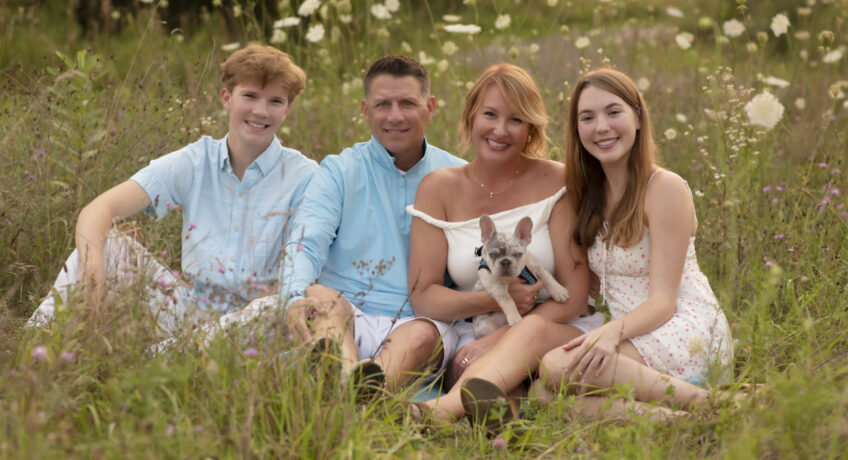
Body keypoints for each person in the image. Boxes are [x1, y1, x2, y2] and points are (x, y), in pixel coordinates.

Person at [419, 67, 734, 427]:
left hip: (678, 327)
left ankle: (705, 401)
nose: (601, 127)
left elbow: (663, 301)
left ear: (638, 117)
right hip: (628, 329)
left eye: (613, 112)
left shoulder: (664, 188)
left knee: (556, 366)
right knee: (542, 396)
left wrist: (608, 332)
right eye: (588, 117)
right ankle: (685, 421)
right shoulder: (589, 194)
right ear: (577, 129)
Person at [30, 45, 318, 338]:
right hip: (188, 307)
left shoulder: (305, 176)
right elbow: (97, 210)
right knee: (111, 246)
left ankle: (163, 358)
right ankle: (40, 342)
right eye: (250, 96)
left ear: (287, 109)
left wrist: (243, 317)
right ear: (226, 98)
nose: (261, 110)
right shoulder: (196, 161)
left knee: (275, 304)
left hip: (255, 321)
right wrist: (93, 281)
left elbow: (305, 271)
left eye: (275, 101)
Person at [406, 63, 599, 423]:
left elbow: (574, 294)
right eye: (490, 115)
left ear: (531, 129)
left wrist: (505, 336)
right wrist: (489, 304)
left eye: (515, 120)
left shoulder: (557, 180)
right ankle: (502, 433)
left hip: (554, 323)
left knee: (510, 351)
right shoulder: (438, 187)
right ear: (470, 117)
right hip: (479, 327)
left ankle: (438, 415)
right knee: (481, 364)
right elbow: (424, 295)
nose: (499, 130)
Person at [280, 55, 464, 391]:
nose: (395, 116)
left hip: (418, 322)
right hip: (347, 316)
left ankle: (363, 388)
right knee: (319, 294)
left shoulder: (458, 176)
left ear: (430, 107)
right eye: (383, 104)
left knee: (422, 333)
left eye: (408, 103)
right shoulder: (339, 171)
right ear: (366, 110)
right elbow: (306, 242)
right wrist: (293, 296)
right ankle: (349, 376)